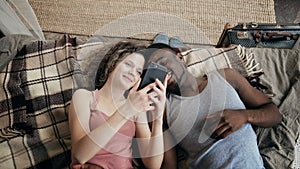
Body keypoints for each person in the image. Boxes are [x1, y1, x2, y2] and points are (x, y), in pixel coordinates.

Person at [145, 33, 282, 169]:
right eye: (155, 70)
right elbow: (168, 165)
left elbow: (275, 115)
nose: (162, 71)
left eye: (163, 62)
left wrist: (244, 116)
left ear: (180, 57)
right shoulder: (162, 109)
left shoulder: (226, 77)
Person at [68, 40, 169, 169]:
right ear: (112, 64)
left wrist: (158, 118)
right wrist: (126, 110)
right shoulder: (84, 97)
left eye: (138, 72)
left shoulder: (136, 108)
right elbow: (79, 155)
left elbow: (153, 165)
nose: (133, 72)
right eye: (128, 64)